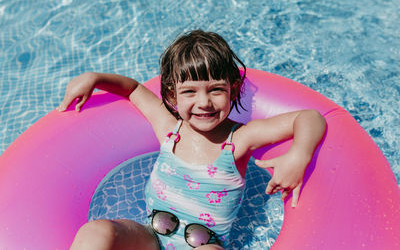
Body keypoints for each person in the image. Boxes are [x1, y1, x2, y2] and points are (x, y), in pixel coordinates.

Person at [58, 30, 326, 250]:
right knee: (96, 231)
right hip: (151, 235)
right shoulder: (168, 128)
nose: (204, 103)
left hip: (205, 244)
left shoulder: (240, 140)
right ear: (172, 96)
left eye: (216, 90)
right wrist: (95, 78)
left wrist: (299, 155)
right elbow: (133, 89)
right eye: (190, 92)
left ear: (234, 88)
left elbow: (310, 117)